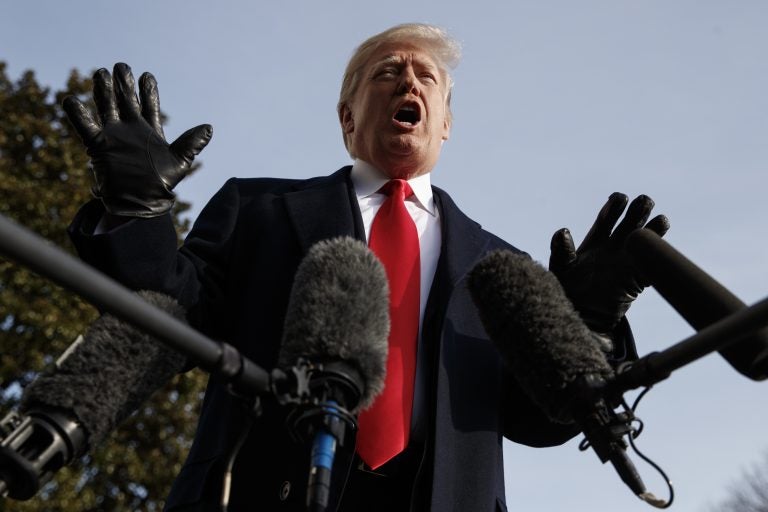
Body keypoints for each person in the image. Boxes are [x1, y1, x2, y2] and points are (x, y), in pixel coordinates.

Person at [64, 23, 668, 512]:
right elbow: (163, 313)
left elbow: (535, 420)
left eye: (427, 76)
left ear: (447, 122)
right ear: (347, 119)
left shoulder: (501, 266)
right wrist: (138, 212)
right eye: (387, 72)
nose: (410, 79)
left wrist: (589, 325)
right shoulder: (259, 209)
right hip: (259, 489)